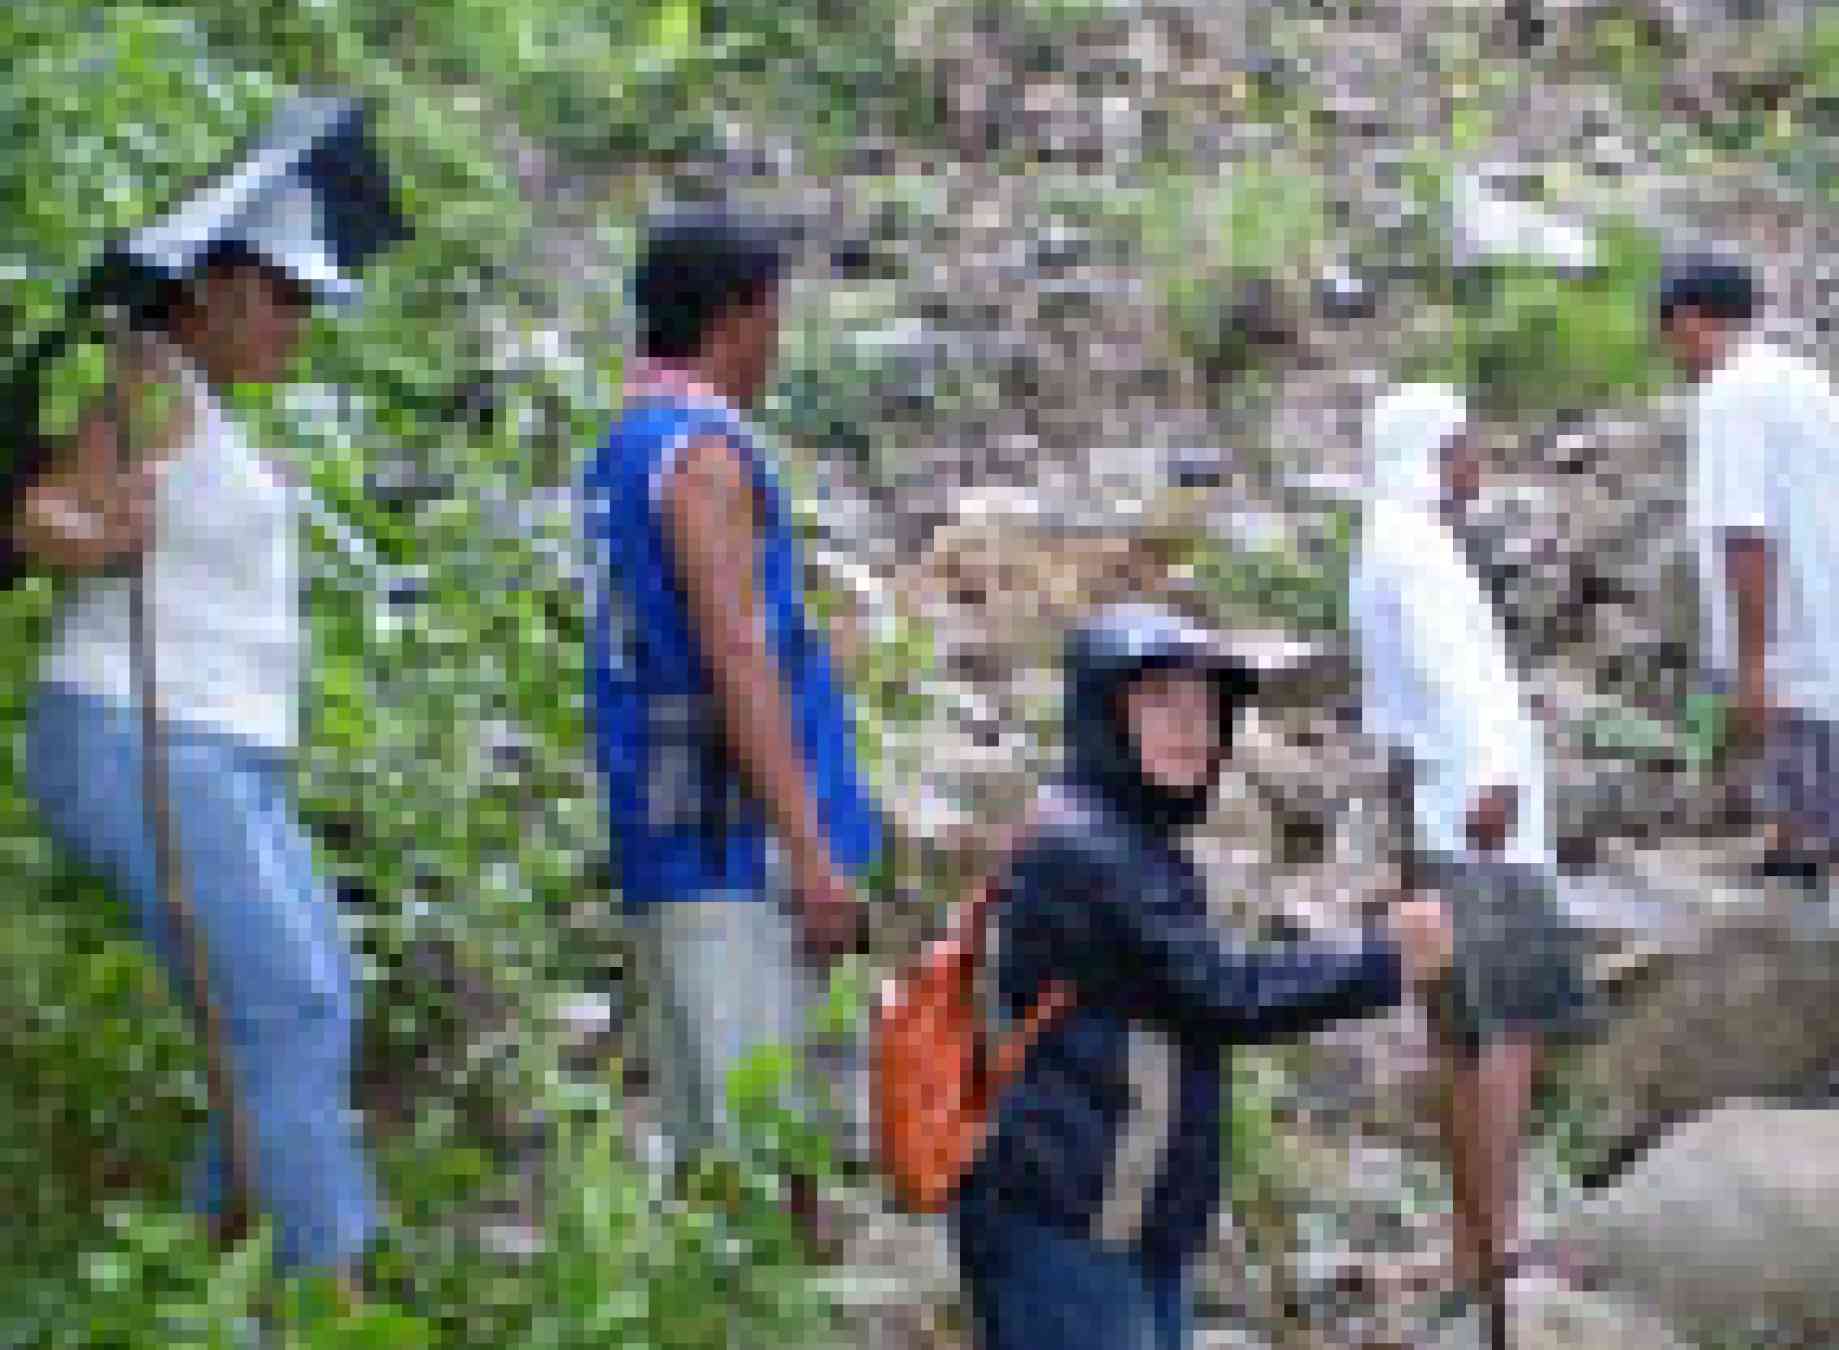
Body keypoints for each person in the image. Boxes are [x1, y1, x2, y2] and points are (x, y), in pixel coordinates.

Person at [16, 242, 381, 1278]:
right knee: (287, 1008)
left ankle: (210, 1280)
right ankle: (327, 1303)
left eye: (309, 301)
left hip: (224, 755)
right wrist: (99, 534)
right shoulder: (147, 377)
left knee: (312, 1005)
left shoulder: (203, 406)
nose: (296, 322)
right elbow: (43, 511)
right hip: (143, 735)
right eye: (283, 296)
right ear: (213, 289)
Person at [954, 604, 1454, 1350]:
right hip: (1069, 1222)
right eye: (1158, 701)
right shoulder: (1088, 849)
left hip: (1118, 1218)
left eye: (1205, 706)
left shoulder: (1125, 835)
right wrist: (1384, 960)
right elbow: (1218, 992)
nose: (1191, 728)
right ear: (1100, 713)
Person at [581, 211, 885, 1236]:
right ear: (736, 319)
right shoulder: (701, 457)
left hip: (668, 825)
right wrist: (810, 851)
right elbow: (737, 653)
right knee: (761, 1138)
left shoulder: (629, 444)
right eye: (774, 314)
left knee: (728, 1123)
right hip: (729, 838)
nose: (780, 340)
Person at [1660, 254, 1839, 1094]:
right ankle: (1793, 844)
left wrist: (1754, 663)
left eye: (1669, 336)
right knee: (1825, 796)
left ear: (1686, 320)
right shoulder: (1813, 390)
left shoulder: (1730, 397)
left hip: (1802, 646)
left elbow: (1746, 534)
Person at [1349, 383, 1557, 1347]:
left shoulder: (1396, 541)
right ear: (1428, 454)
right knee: (1500, 1032)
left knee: (1470, 1035)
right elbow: (1450, 681)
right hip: (1481, 814)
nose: (1477, 465)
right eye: (1463, 448)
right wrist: (1496, 782)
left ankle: (1482, 1235)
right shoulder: (1414, 550)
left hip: (1455, 806)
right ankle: (1491, 1241)